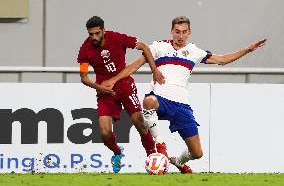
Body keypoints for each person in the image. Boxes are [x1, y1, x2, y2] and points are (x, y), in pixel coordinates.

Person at [101, 15, 267, 173]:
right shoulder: (158, 47)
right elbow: (134, 65)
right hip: (161, 99)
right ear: (171, 31)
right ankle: (160, 145)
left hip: (181, 105)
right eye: (177, 31)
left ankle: (178, 161)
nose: (180, 36)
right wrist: (114, 80)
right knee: (149, 101)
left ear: (189, 32)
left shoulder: (194, 51)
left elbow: (222, 59)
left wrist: (247, 49)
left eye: (183, 32)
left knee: (197, 153)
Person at [77, 16, 166, 173]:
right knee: (104, 132)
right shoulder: (86, 49)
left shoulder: (117, 38)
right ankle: (117, 153)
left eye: (97, 33)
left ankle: (151, 156)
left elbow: (145, 47)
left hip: (125, 87)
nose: (94, 37)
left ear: (103, 31)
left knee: (140, 123)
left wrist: (154, 70)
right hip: (105, 92)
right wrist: (99, 87)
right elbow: (84, 78)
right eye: (91, 34)